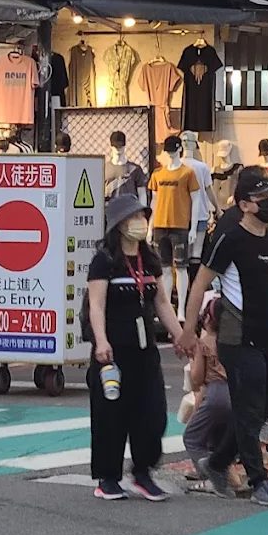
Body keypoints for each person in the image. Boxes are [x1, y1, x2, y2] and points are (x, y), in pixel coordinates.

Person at [177, 171, 268, 507]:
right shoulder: (229, 238)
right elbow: (200, 284)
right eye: (262, 198)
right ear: (243, 205)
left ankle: (217, 462)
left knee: (266, 405)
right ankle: (259, 482)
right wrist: (189, 330)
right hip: (237, 338)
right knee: (248, 408)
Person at [86, 194, 186, 502]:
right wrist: (101, 341)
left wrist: (182, 336)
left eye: (142, 217)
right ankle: (107, 478)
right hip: (113, 351)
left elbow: (161, 303)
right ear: (119, 225)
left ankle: (143, 473)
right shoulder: (104, 260)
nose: (139, 224)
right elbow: (96, 305)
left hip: (145, 350)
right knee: (111, 415)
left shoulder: (150, 257)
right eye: (132, 218)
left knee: (152, 414)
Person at [183, 295, 232, 476]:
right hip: (236, 392)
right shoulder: (234, 341)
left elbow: (197, 378)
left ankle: (209, 474)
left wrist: (194, 357)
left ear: (208, 319)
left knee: (192, 438)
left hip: (216, 393)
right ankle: (222, 474)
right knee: (217, 437)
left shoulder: (204, 344)